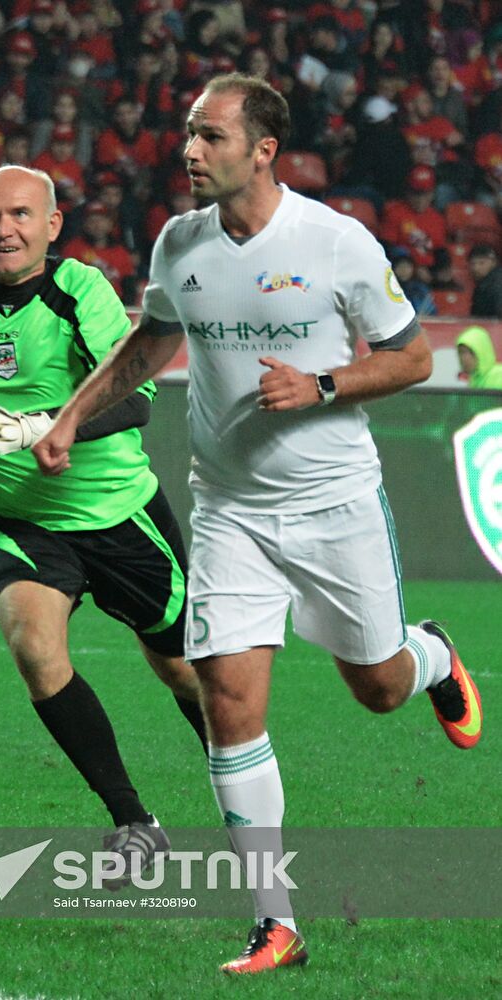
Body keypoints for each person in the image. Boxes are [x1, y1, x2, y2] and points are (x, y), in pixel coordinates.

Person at [33, 73, 484, 975]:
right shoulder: (180, 242)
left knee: (379, 687)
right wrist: (73, 415)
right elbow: (153, 339)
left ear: (263, 150)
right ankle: (274, 922)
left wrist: (319, 385)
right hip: (228, 508)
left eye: (209, 136)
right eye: (189, 136)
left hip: (332, 503)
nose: (189, 151)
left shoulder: (334, 242)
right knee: (228, 704)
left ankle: (427, 652)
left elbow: (411, 359)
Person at [0, 164, 207, 884]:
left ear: (52, 226)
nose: (5, 228)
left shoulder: (78, 290)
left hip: (116, 513)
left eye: (22, 214)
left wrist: (30, 429)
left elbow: (137, 396)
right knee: (33, 647)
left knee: (182, 668)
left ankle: (246, 798)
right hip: (18, 521)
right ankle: (132, 822)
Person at [456, 324, 502, 389]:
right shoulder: (474, 380)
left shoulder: (499, 375)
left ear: (479, 352)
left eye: (464, 352)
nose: (461, 359)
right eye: (459, 353)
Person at [468, 243, 502, 318]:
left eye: (481, 263)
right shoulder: (484, 283)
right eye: (473, 263)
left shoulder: (497, 284)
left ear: (493, 262)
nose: (476, 268)